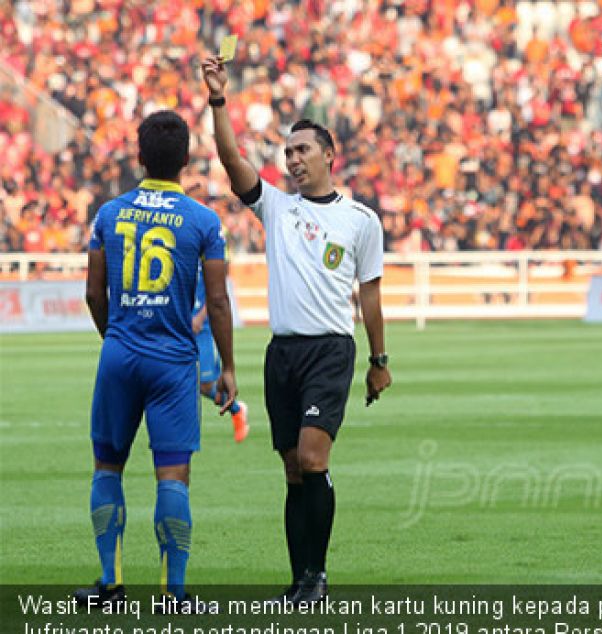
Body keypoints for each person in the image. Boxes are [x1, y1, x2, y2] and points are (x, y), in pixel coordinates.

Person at [202, 54, 391, 602]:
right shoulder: (277, 208)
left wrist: (379, 362)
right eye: (287, 152)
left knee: (313, 457)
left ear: (330, 155)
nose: (293, 159)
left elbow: (372, 294)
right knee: (291, 469)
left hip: (331, 351)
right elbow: (231, 158)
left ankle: (320, 575)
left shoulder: (360, 221)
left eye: (303, 149)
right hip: (281, 352)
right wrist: (219, 100)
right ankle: (300, 579)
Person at [77, 111, 237, 605]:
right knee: (173, 475)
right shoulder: (204, 221)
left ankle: (111, 584)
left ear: (140, 156)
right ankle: (174, 593)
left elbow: (92, 293)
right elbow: (216, 301)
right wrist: (227, 367)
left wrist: (116, 337)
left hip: (121, 355)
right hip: (173, 364)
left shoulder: (109, 214)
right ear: (186, 160)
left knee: (108, 468)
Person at [193, 266, 250, 442]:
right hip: (180, 326)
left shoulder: (206, 253)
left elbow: (216, 292)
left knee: (205, 384)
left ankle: (237, 410)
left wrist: (200, 318)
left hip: (202, 329)